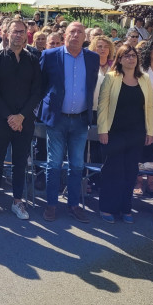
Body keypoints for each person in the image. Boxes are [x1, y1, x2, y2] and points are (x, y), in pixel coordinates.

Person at [39, 21, 100, 223]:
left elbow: (90, 86)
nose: (75, 35)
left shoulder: (93, 58)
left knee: (77, 165)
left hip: (81, 119)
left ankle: (74, 205)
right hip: (57, 119)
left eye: (79, 32)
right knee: (54, 164)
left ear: (85, 37)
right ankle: (51, 205)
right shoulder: (49, 55)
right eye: (71, 31)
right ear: (65, 35)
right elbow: (40, 85)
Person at [0, 20, 42, 220]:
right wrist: (9, 116)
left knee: (20, 163)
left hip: (24, 121)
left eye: (22, 31)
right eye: (14, 31)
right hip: (1, 119)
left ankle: (18, 202)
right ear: (6, 34)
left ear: (27, 34)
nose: (18, 35)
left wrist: (21, 116)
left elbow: (37, 92)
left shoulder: (33, 60)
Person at [97, 43, 153, 223]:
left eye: (133, 55)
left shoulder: (144, 79)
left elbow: (149, 107)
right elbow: (102, 105)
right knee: (113, 171)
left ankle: (125, 208)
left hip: (136, 133)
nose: (131, 58)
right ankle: (107, 207)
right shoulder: (111, 77)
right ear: (119, 59)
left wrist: (150, 131)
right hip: (114, 132)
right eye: (126, 55)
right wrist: (102, 130)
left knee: (130, 172)